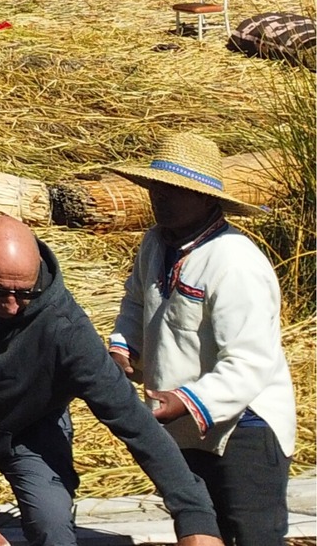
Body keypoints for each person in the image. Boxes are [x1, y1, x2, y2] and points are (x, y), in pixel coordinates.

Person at [0, 216, 223, 546]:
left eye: (25, 292)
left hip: (32, 430)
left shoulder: (66, 330)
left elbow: (132, 419)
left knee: (52, 526)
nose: (12, 306)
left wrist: (195, 516)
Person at [109, 133, 297, 546]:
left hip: (244, 427)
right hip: (181, 426)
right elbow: (137, 303)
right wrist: (124, 349)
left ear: (207, 199)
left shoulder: (234, 262)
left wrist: (183, 401)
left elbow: (249, 362)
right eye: (157, 188)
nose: (162, 198)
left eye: (176, 191)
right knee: (201, 532)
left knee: (252, 536)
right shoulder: (155, 243)